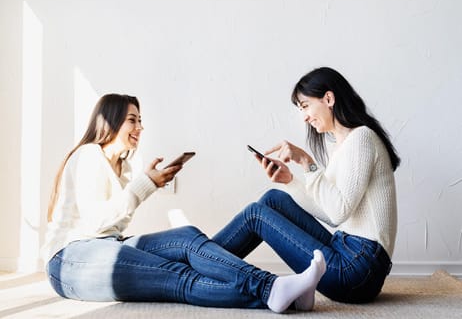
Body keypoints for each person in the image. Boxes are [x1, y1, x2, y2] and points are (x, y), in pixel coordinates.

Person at [41, 93, 327, 313]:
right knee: (177, 276)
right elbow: (95, 223)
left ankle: (286, 294)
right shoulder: (89, 155)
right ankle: (272, 289)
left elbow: (113, 224)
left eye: (140, 120)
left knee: (186, 237)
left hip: (108, 245)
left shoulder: (124, 167)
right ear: (110, 120)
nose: (140, 127)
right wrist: (147, 184)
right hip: (70, 260)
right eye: (132, 119)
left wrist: (146, 182)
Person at [213, 67, 400, 304]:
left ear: (328, 99)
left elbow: (338, 211)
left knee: (255, 215)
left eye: (305, 106)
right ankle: (201, 260)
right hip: (347, 251)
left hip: (358, 270)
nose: (304, 116)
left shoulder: (362, 138)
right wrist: (290, 182)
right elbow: (331, 214)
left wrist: (307, 162)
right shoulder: (341, 145)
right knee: (273, 198)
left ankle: (197, 259)